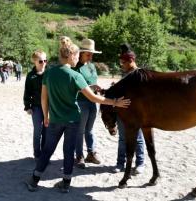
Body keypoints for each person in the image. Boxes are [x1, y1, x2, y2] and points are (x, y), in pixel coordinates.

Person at [25, 42, 130, 193]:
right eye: (76, 56)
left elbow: (43, 98)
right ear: (70, 56)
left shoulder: (48, 73)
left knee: (47, 149)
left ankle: (34, 181)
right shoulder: (76, 76)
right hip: (73, 120)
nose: (77, 59)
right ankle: (66, 184)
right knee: (68, 151)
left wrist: (46, 116)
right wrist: (115, 102)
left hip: (55, 119)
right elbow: (94, 98)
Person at [112, 44, 145, 174]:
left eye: (123, 62)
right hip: (122, 112)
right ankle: (120, 163)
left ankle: (140, 163)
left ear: (131, 61)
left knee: (138, 138)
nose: (121, 65)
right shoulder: (125, 75)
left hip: (136, 113)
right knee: (122, 138)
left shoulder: (140, 75)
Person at [74, 39, 102, 169]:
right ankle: (79, 156)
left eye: (92, 54)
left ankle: (91, 153)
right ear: (81, 53)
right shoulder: (75, 67)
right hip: (81, 101)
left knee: (89, 129)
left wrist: (96, 89)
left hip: (93, 101)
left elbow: (93, 80)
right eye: (88, 54)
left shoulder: (91, 66)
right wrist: (90, 87)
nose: (91, 56)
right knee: (80, 130)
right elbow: (74, 85)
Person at [23, 50, 48, 161]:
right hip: (37, 107)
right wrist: (27, 106)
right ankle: (37, 154)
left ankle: (44, 154)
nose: (43, 63)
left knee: (47, 131)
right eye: (41, 61)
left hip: (49, 107)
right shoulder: (30, 76)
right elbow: (27, 92)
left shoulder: (50, 73)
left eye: (45, 60)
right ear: (34, 61)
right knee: (38, 130)